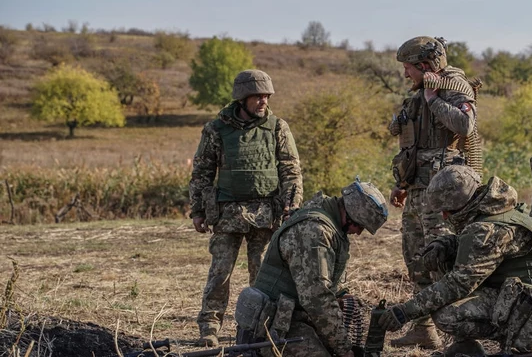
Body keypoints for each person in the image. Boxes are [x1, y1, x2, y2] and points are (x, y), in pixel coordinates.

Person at [378, 165, 532, 356]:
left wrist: (405, 311)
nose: (444, 216)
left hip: (528, 314)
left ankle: (517, 341)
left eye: (447, 210)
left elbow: (457, 285)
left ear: (461, 205)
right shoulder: (498, 208)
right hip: (519, 297)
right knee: (442, 254)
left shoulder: (486, 230)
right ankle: (466, 346)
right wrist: (448, 243)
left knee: (445, 314)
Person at [189, 69, 303, 346]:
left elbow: (291, 169)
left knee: (264, 277)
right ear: (242, 98)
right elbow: (201, 172)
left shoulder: (277, 127)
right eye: (257, 96)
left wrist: (291, 205)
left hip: (265, 213)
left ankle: (260, 329)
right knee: (220, 273)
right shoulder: (216, 129)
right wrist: (198, 210)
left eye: (266, 96)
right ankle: (209, 327)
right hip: (227, 214)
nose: (263, 101)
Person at [387, 36, 478, 349]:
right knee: (416, 259)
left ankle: (460, 337)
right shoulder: (418, 95)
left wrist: (434, 99)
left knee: (442, 261)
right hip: (417, 190)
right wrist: (402, 183)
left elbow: (466, 126)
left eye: (408, 68)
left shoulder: (452, 87)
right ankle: (424, 329)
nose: (405, 74)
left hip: (443, 195)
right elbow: (412, 145)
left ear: (424, 66)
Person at [233, 179, 389, 357]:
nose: (359, 233)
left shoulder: (326, 216)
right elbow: (317, 299)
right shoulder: (314, 231)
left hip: (292, 318)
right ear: (350, 213)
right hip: (271, 328)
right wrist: (345, 350)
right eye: (359, 226)